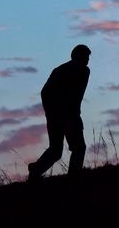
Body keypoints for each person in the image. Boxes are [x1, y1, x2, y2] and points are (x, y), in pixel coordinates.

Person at [28, 44, 91, 181]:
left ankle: (36, 170)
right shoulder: (78, 71)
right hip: (64, 115)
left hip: (65, 115)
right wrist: (52, 113)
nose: (87, 60)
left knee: (59, 149)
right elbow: (46, 93)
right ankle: (73, 178)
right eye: (85, 57)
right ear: (78, 57)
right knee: (73, 148)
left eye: (88, 57)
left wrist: (52, 113)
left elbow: (47, 93)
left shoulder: (64, 70)